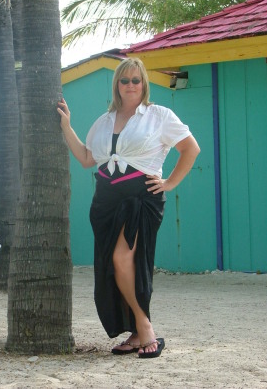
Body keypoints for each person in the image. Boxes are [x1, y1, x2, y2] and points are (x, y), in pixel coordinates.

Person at [57, 57, 200, 359]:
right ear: (117, 85)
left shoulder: (158, 115)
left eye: (136, 80)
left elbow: (191, 148)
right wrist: (66, 126)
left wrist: (170, 183)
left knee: (124, 259)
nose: (131, 85)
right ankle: (136, 333)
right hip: (105, 203)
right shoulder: (104, 121)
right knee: (116, 265)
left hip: (140, 200)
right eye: (125, 80)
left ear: (144, 84)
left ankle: (145, 327)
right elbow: (85, 158)